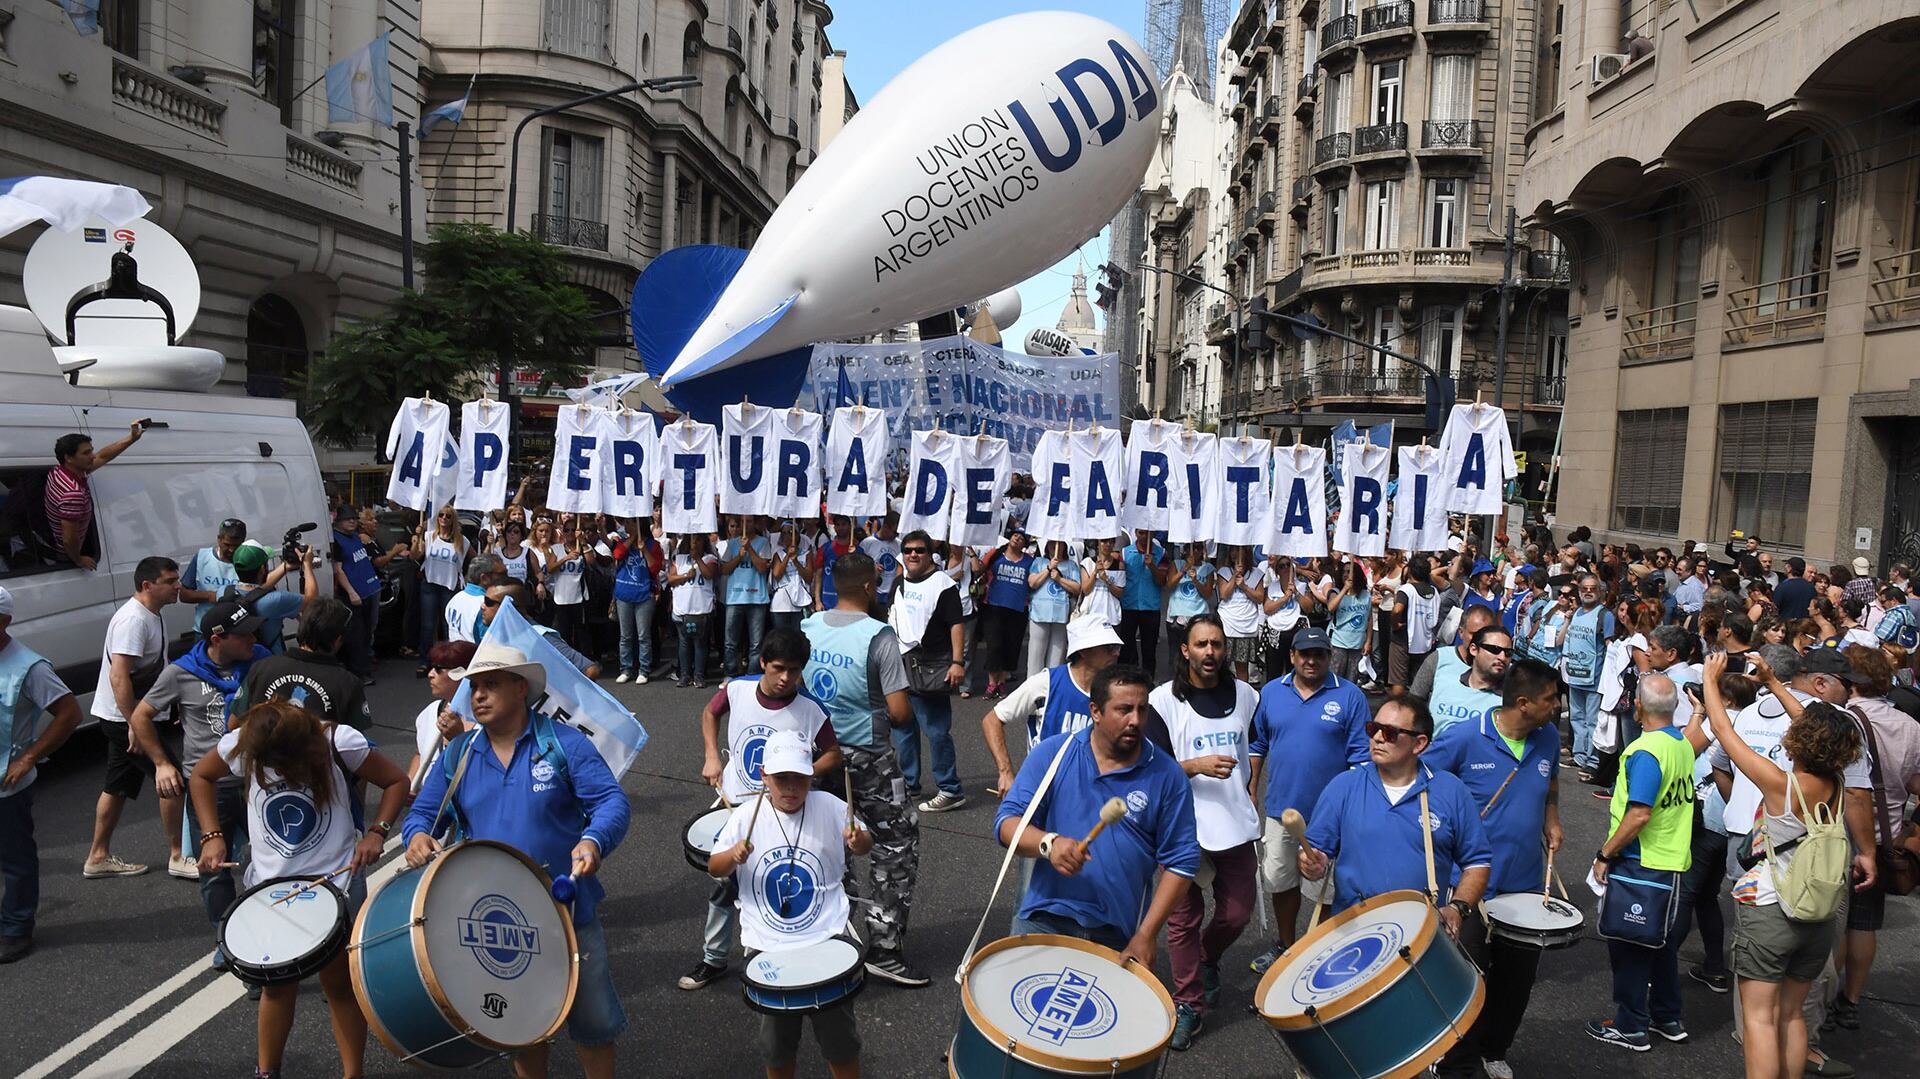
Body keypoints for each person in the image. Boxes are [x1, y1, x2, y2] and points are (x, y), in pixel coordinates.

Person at [406, 643, 632, 1079]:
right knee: (521, 1026)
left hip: (568, 913)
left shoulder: (563, 743)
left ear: (521, 689)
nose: (477, 696)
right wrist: (417, 836)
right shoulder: (459, 753)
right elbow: (422, 813)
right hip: (495, 922)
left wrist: (593, 841)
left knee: (594, 1025)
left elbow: (610, 802)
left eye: (491, 685)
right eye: (474, 687)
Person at [190, 697, 408, 1079]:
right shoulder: (246, 744)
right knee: (276, 988)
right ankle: (267, 1072)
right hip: (271, 889)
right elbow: (201, 777)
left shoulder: (340, 742)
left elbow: (396, 781)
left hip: (336, 882)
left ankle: (352, 1074)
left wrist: (377, 833)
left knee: (339, 985)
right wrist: (211, 835)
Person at [1699, 651, 1861, 1079]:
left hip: (1773, 909)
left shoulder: (1780, 784)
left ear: (1799, 741)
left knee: (1759, 1019)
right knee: (1792, 1017)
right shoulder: (1837, 782)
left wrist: (1710, 680)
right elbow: (1813, 727)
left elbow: (1722, 730)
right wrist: (1774, 683)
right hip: (1819, 913)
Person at [994, 665, 1199, 962]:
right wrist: (1049, 844)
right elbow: (1006, 823)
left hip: (1115, 932)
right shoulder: (1054, 753)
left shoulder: (1167, 775)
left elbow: (1182, 860)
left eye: (1143, 710)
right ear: (1096, 711)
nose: (1136, 721)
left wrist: (1146, 934)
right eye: (1124, 709)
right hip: (1043, 918)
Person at [1425, 658, 1564, 1079]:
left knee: (1517, 980)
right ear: (1523, 703)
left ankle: (1494, 1049)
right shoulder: (1465, 738)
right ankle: (1450, 1055)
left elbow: (1552, 783)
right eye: (1551, 699)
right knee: (1465, 978)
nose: (1557, 706)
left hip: (1525, 886)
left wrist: (1552, 818)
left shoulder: (1549, 738)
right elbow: (1422, 782)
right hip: (1468, 888)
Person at [708, 730, 873, 1079]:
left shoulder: (830, 806)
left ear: (811, 775)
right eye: (781, 778)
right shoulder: (744, 816)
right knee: (777, 1047)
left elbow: (864, 843)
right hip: (768, 946)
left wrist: (858, 841)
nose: (790, 787)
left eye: (799, 778)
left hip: (827, 936)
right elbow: (713, 867)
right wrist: (733, 857)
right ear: (764, 775)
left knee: (840, 1042)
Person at [799, 551, 926, 987]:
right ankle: (884, 948)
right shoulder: (879, 636)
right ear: (871, 587)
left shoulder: (808, 627)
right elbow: (900, 711)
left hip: (816, 751)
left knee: (824, 839)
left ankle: (826, 933)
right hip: (868, 754)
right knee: (893, 845)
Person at [687, 629, 840, 990]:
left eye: (795, 670)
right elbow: (710, 713)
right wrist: (712, 756)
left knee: (777, 879)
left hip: (786, 809)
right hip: (740, 803)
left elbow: (834, 753)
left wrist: (798, 774)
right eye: (778, 668)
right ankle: (714, 958)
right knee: (725, 883)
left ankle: (783, 955)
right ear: (763, 664)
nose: (786, 678)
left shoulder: (810, 709)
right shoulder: (737, 688)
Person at [126, 600, 271, 971]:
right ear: (217, 639)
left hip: (261, 780)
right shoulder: (181, 672)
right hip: (210, 784)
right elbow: (142, 716)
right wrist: (161, 764)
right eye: (245, 635)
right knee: (214, 867)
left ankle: (273, 936)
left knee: (271, 862)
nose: (253, 639)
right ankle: (228, 938)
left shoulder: (262, 661)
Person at [1144, 615, 1260, 1051]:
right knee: (1181, 920)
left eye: (1217, 644)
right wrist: (1194, 766)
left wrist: (1252, 786)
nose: (1210, 652)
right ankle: (1188, 1003)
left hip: (1233, 823)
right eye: (1201, 644)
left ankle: (1208, 957)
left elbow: (1256, 745)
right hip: (1183, 827)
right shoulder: (1163, 701)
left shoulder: (1248, 696)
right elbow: (1150, 768)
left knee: (1237, 913)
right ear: (1185, 651)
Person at [1295, 695, 1492, 921]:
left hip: (1422, 930)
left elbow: (1477, 862)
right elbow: (1315, 851)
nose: (1377, 738)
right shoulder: (1344, 786)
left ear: (1419, 744)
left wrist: (1458, 907)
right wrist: (1310, 863)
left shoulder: (1451, 790)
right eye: (1373, 728)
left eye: (1389, 733)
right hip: (1355, 929)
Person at [1246, 627, 1371, 973]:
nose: (1311, 660)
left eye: (1319, 654)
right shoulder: (1271, 692)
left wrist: (1351, 808)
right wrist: (1252, 787)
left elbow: (1361, 758)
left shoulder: (1350, 696)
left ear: (1330, 657)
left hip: (1328, 818)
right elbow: (1258, 745)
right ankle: (1286, 946)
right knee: (1281, 880)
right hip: (1280, 810)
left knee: (1325, 891)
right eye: (1305, 654)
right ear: (1292, 656)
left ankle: (1319, 953)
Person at [1586, 673, 1697, 1052]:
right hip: (1671, 858)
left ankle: (1631, 1025)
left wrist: (1605, 853)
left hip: (1640, 861)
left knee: (1630, 943)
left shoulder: (1645, 751)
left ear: (1637, 705)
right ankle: (1667, 1016)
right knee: (1658, 941)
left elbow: (1638, 815)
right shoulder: (1679, 742)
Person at [1830, 645, 1919, 1030]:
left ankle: (1823, 1000)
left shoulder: (1844, 720)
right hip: (1887, 838)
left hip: (1844, 836)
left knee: (1833, 924)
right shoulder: (1911, 726)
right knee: (1865, 924)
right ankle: (1850, 1001)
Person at [84, 555, 184, 880]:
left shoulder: (150, 614)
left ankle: (97, 857)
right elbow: (118, 678)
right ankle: (179, 855)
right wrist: (133, 723)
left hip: (130, 716)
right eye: (170, 581)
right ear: (147, 585)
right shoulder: (133, 621)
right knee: (171, 779)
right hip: (124, 718)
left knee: (117, 785)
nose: (178, 586)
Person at [0, 585, 84, 963]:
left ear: (3, 621)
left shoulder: (29, 668)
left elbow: (69, 714)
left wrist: (29, 756)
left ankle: (16, 928)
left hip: (6, 784)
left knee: (15, 859)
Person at [888, 531, 967, 812]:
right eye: (908, 550)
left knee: (936, 732)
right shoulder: (898, 582)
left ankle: (950, 789)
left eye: (919, 550)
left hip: (932, 666)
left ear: (930, 553)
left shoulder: (944, 585)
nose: (913, 555)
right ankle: (910, 784)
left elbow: (957, 624)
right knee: (903, 729)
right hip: (899, 667)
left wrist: (957, 663)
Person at [45, 421, 145, 569]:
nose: (92, 456)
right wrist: (79, 560)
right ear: (68, 458)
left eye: (91, 451)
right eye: (86, 453)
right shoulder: (72, 494)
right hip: (67, 557)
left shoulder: (59, 471)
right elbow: (69, 539)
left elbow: (103, 456)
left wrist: (131, 438)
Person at [1564, 572, 1618, 777]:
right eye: (1584, 589)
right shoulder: (1577, 612)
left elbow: (1610, 647)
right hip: (1575, 675)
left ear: (1600, 592)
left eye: (1592, 589)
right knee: (1577, 718)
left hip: (1594, 678)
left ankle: (1593, 760)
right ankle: (1579, 756)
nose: (1588, 592)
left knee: (1593, 721)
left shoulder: (1605, 615)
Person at [225, 543, 315, 655]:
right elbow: (312, 600)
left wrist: (285, 566)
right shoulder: (276, 600)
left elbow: (254, 589)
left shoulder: (225, 592)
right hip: (270, 661)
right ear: (263, 568)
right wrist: (307, 565)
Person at [329, 505, 383, 685]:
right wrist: (351, 592)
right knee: (355, 634)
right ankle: (358, 672)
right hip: (353, 595)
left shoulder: (355, 537)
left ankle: (364, 666)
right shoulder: (336, 540)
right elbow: (339, 569)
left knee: (367, 631)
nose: (352, 521)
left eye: (354, 518)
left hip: (367, 590)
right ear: (338, 522)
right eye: (347, 519)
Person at [410, 505, 467, 675]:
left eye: (448, 516)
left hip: (449, 586)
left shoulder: (461, 540)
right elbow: (415, 556)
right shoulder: (428, 537)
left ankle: (448, 661)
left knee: (447, 625)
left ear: (453, 520)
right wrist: (417, 538)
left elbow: (473, 557)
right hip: (430, 584)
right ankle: (425, 660)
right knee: (428, 625)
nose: (443, 518)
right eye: (441, 515)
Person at [409, 640, 476, 782]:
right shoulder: (430, 712)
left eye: (438, 669)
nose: (430, 674)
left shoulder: (490, 721)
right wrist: (411, 780)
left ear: (463, 674)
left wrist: (458, 739)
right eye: (431, 667)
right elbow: (420, 753)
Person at [979, 530, 1036, 697]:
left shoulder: (1030, 562)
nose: (1017, 539)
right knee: (993, 646)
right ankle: (991, 684)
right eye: (1015, 536)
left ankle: (1002, 682)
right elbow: (980, 570)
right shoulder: (995, 554)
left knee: (1011, 647)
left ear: (1024, 545)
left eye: (1021, 539)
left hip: (1018, 609)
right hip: (993, 606)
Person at [1430, 625, 1511, 736]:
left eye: (1508, 653)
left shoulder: (1509, 702)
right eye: (1494, 650)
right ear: (1473, 649)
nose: (1502, 657)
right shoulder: (1444, 681)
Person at [611, 521, 664, 683]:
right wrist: (632, 538)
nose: (626, 525)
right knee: (625, 636)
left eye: (630, 523)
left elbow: (655, 568)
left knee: (643, 635)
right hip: (624, 594)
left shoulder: (653, 545)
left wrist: (644, 550)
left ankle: (644, 670)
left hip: (643, 595)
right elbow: (617, 555)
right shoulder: (622, 542)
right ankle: (626, 669)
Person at [720, 515, 774, 675]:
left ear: (755, 523)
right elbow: (724, 570)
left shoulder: (763, 543)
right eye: (742, 522)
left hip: (756, 599)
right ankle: (730, 674)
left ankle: (753, 675)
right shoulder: (731, 543)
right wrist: (739, 556)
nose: (746, 525)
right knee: (730, 642)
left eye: (749, 521)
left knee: (756, 644)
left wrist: (750, 549)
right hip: (734, 598)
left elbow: (763, 568)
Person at [1024, 540, 1084, 676]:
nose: (1054, 546)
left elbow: (1077, 588)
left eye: (1058, 543)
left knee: (1057, 656)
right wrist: (1048, 569)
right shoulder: (1039, 562)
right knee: (1035, 654)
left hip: (1061, 615)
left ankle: (1052, 688)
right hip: (1039, 614)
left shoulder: (1071, 565)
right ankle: (1033, 689)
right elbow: (1032, 583)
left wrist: (1059, 579)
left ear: (1064, 547)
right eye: (1051, 543)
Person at [669, 533, 720, 687]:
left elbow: (709, 574)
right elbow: (671, 579)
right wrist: (685, 575)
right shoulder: (679, 559)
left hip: (701, 608)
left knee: (700, 644)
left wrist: (697, 558)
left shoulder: (710, 559)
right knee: (684, 644)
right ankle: (685, 675)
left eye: (698, 539)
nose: (695, 543)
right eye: (693, 539)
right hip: (682, 608)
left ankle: (699, 675)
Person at [179, 518, 248, 630]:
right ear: (219, 539)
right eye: (227, 544)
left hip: (237, 629)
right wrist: (210, 596)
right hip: (205, 630)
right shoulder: (202, 558)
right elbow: (184, 595)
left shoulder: (248, 560)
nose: (231, 550)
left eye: (236, 546)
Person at [1118, 529, 1169, 677]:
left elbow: (1162, 581)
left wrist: (1152, 565)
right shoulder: (1125, 552)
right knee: (1127, 648)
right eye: (1141, 533)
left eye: (1147, 533)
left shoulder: (1162, 553)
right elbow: (1120, 578)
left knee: (1149, 649)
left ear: (1152, 534)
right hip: (1129, 606)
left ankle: (1149, 681)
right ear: (1135, 533)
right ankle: (1127, 679)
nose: (1144, 536)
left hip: (1150, 608)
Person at [1213, 545, 1266, 683]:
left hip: (1246, 627)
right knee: (1221, 664)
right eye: (1233, 550)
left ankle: (1242, 696)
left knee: (1242, 669)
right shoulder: (1224, 571)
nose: (1235, 554)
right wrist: (1234, 576)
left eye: (1238, 550)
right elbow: (1224, 594)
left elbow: (1260, 598)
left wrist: (1244, 586)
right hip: (1227, 624)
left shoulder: (1257, 573)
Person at [1390, 553, 1441, 695]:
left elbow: (1397, 610)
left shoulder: (1406, 589)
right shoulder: (1434, 592)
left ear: (1410, 571)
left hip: (1402, 641)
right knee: (1418, 682)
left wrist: (1395, 625)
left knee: (1398, 681)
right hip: (1424, 643)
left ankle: (1397, 711)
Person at [767, 518, 815, 636]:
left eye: (790, 532)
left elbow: (809, 577)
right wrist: (788, 556)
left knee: (798, 638)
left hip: (800, 604)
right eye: (784, 533)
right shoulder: (778, 554)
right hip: (781, 605)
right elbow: (777, 575)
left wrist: (796, 562)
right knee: (781, 637)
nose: (787, 535)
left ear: (797, 535)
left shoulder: (806, 554)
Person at [1327, 559, 1372, 681]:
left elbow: (1369, 619)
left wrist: (1368, 642)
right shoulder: (1335, 592)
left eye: (1349, 571)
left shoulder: (1366, 595)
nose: (1346, 574)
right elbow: (1331, 607)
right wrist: (1345, 589)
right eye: (1344, 572)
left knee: (1351, 679)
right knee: (1335, 677)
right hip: (1338, 642)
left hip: (1357, 644)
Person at [446, 554, 502, 645]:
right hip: (477, 657)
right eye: (501, 574)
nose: (506, 578)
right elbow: (491, 646)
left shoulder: (454, 599)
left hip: (457, 656)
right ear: (484, 578)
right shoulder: (487, 605)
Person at [1079, 535, 1127, 631]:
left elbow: (1119, 593)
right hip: (1091, 614)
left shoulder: (1119, 565)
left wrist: (1106, 580)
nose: (1108, 544)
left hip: (1112, 615)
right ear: (1098, 544)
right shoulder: (1087, 562)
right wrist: (1094, 573)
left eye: (1111, 542)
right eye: (1104, 541)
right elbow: (1086, 590)